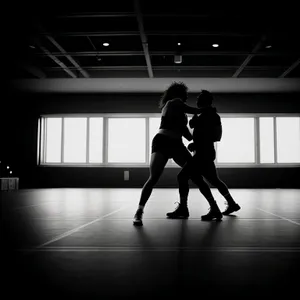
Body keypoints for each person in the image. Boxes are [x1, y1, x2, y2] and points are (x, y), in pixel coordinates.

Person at [133, 82, 202, 226]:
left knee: (193, 173)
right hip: (163, 142)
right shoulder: (172, 103)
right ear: (179, 93)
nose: (187, 96)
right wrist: (205, 110)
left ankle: (183, 207)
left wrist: (196, 124)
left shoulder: (183, 115)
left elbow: (188, 136)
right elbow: (191, 109)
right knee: (153, 178)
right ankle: (139, 211)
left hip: (177, 144)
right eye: (185, 93)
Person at [166, 90, 241, 221]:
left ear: (206, 101)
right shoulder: (202, 115)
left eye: (199, 99)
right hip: (202, 153)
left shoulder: (212, 115)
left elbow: (217, 136)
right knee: (213, 180)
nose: (197, 101)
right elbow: (193, 127)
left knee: (182, 176)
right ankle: (231, 204)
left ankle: (186, 208)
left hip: (204, 153)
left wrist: (197, 144)